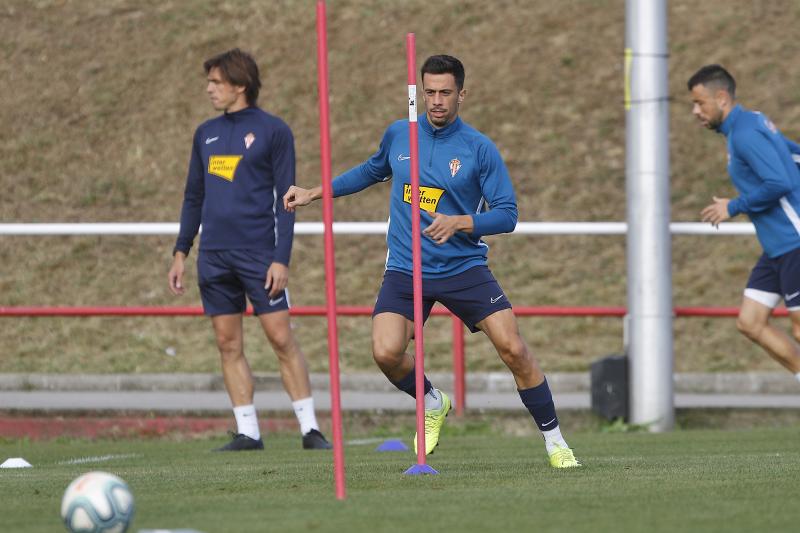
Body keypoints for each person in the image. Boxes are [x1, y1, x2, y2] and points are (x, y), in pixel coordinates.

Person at [284, 55, 580, 468]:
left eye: (445, 92)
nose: (437, 100)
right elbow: (371, 172)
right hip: (406, 267)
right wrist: (315, 192)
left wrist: (462, 222)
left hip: (464, 268)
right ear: (420, 92)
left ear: (462, 93)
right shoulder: (399, 135)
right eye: (430, 92)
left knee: (513, 349)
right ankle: (432, 400)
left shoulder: (478, 148)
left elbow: (507, 214)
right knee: (386, 352)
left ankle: (556, 444)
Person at [168, 48, 331, 451]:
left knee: (280, 338)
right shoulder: (204, 133)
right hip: (214, 256)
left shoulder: (274, 131)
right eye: (208, 82)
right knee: (228, 343)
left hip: (260, 254)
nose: (209, 89)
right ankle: (248, 431)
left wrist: (282, 257)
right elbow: (194, 195)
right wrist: (181, 251)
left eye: (216, 82)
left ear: (240, 85)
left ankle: (310, 429)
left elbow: (288, 198)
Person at [690, 64, 800, 381]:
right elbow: (791, 155)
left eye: (700, 103)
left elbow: (778, 182)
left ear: (721, 97)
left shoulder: (745, 134)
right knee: (750, 322)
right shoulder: (751, 122)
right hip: (776, 249)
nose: (696, 111)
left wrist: (733, 206)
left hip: (794, 242)